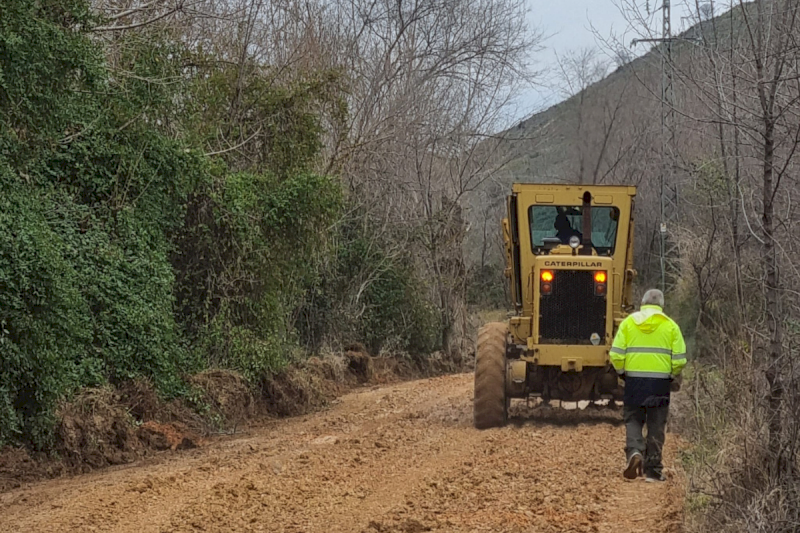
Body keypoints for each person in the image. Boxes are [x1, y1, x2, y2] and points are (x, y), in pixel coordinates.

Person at [610, 289, 687, 482]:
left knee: (633, 418)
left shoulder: (628, 323)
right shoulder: (670, 326)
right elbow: (679, 360)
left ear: (642, 303)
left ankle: (635, 451)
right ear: (661, 305)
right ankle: (652, 470)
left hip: (634, 381)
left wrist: (622, 372)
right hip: (660, 383)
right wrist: (670, 374)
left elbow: (616, 355)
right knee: (656, 424)